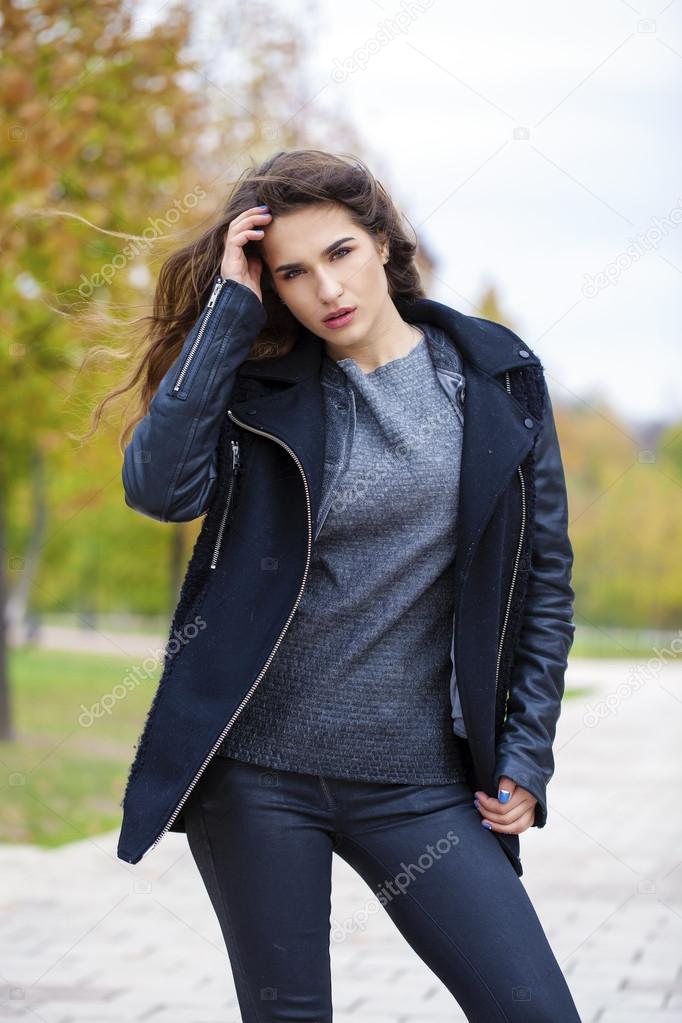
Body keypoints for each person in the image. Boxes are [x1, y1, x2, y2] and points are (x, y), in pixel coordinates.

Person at [103, 149, 581, 1021]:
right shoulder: (260, 388)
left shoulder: (498, 377)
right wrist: (224, 316)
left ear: (382, 243)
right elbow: (160, 489)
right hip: (257, 775)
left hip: (424, 783)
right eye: (291, 271)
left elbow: (545, 579)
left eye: (339, 253)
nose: (325, 288)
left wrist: (525, 753)